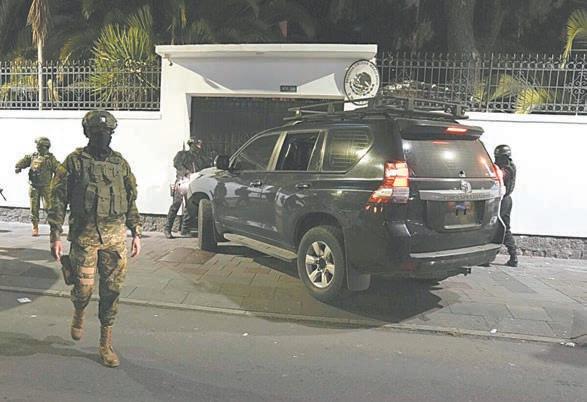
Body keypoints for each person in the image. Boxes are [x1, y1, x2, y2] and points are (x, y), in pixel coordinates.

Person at [48, 110, 142, 368]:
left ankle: (105, 344)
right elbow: (58, 199)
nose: (102, 137)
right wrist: (55, 235)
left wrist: (136, 231)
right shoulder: (74, 162)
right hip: (84, 237)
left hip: (115, 239)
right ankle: (79, 309)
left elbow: (131, 199)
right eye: (97, 133)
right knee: (84, 289)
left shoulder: (120, 164)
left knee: (112, 291)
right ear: (87, 133)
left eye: (107, 133)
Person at [163, 138, 210, 238]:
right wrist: (186, 172)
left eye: (199, 145)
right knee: (176, 205)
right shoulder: (182, 154)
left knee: (190, 207)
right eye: (197, 145)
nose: (199, 147)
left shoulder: (201, 158)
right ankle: (167, 229)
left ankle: (185, 229)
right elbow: (176, 164)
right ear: (191, 145)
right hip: (182, 181)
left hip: (193, 183)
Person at [15, 137, 60, 236]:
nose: (37, 147)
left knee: (49, 207)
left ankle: (54, 227)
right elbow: (23, 162)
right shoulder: (33, 156)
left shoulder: (50, 159)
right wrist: (18, 167)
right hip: (34, 186)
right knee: (34, 207)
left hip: (46, 187)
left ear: (45, 147)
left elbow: (59, 170)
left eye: (39, 146)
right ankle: (35, 227)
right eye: (37, 146)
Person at [495, 144, 518, 267]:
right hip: (499, 199)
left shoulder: (509, 168)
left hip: (504, 201)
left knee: (504, 228)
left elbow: (500, 175)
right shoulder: (505, 166)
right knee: (495, 227)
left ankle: (513, 256)